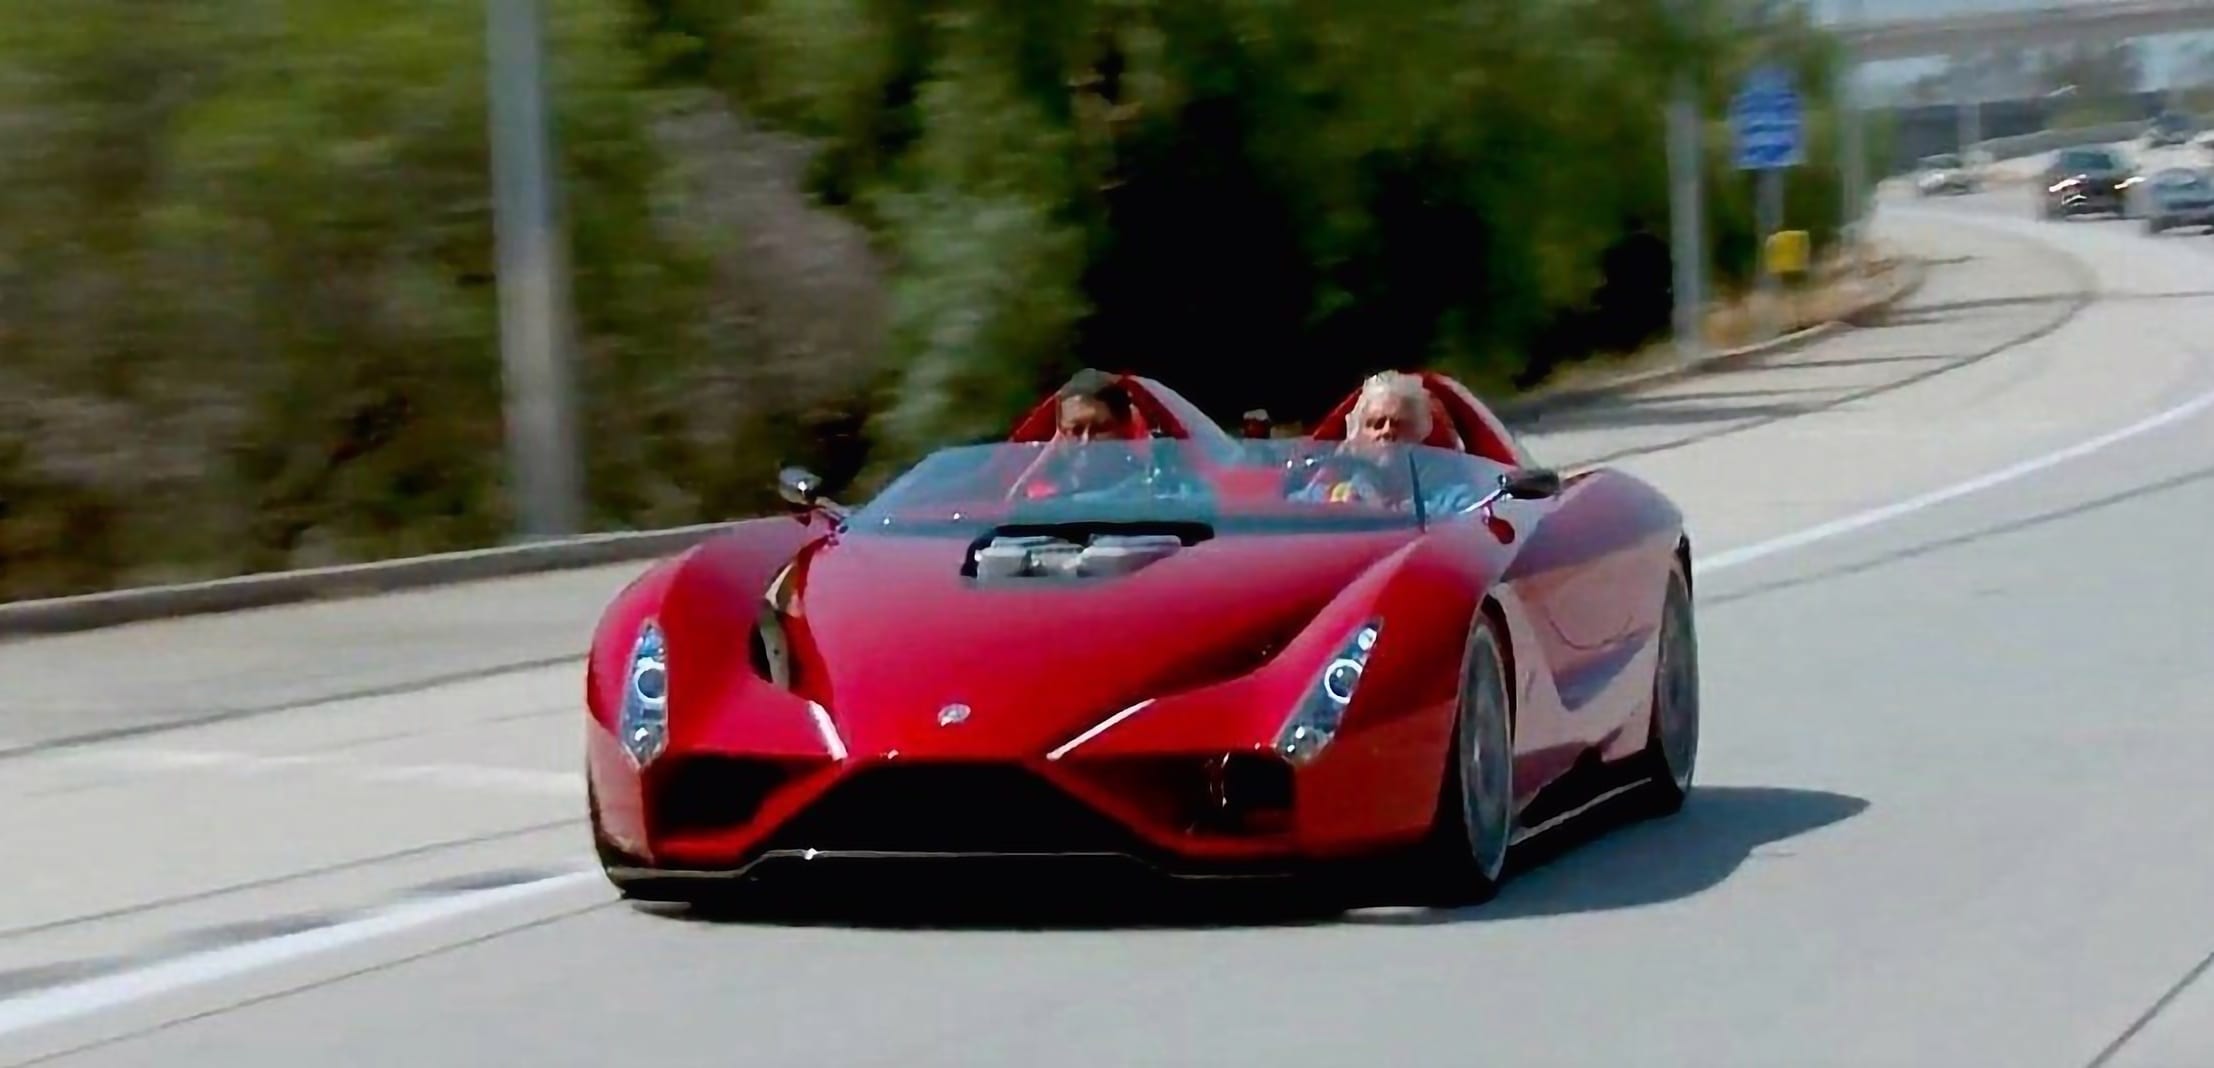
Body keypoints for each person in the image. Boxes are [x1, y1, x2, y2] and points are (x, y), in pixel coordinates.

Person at [1292, 371, 1489, 514]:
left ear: (1419, 435)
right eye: (1376, 424)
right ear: (1356, 436)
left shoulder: (1452, 504)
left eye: (1400, 425)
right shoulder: (1324, 498)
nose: (1386, 431)